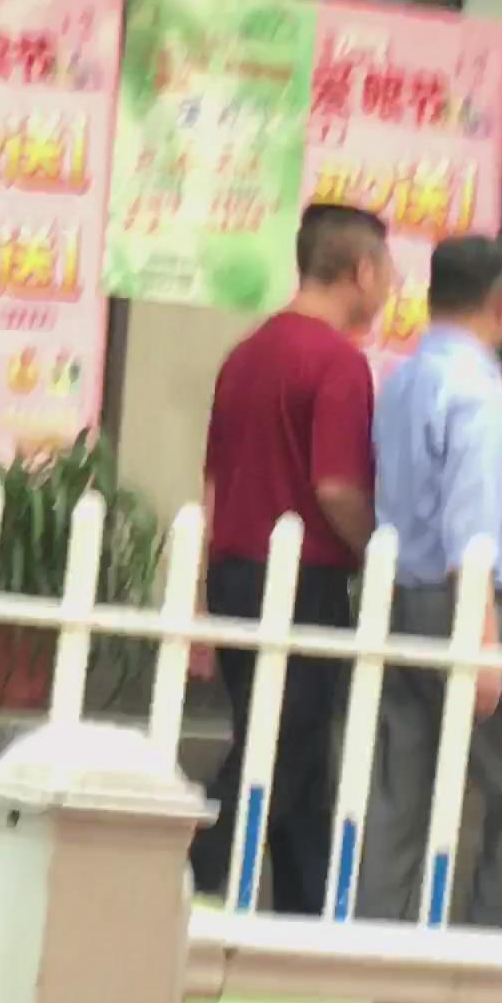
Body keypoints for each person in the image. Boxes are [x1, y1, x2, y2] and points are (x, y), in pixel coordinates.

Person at [193, 203, 390, 917]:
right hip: (303, 582)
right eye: (387, 272)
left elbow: (213, 483)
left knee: (294, 759)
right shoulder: (338, 364)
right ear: (361, 271)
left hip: (236, 570)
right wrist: (380, 554)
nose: (390, 288)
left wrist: (202, 594)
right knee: (279, 752)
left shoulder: (244, 355)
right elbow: (336, 486)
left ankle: (306, 920)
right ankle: (186, 877)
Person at [358, 232, 502, 930]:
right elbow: (472, 525)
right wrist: (484, 639)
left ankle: (370, 946)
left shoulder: (403, 380)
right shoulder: (477, 391)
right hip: (471, 605)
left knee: (398, 794)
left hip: (405, 600)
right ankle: (492, 954)